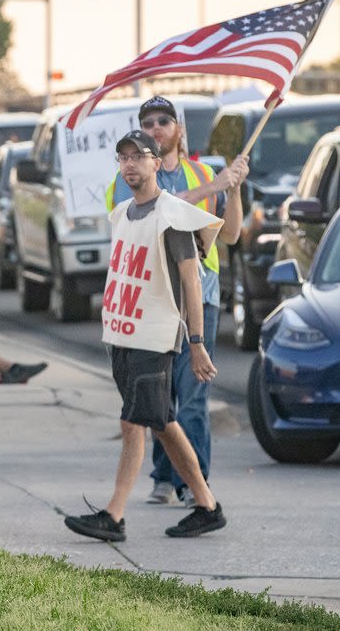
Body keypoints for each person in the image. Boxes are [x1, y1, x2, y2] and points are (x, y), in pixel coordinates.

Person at [64, 130, 227, 541]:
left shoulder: (171, 215)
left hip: (155, 337)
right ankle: (207, 505)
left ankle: (113, 516)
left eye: (139, 156)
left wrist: (196, 342)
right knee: (161, 422)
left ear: (157, 163)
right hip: (122, 335)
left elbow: (191, 281)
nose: (131, 164)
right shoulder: (121, 213)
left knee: (134, 421)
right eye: (124, 158)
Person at [107, 96, 248, 507]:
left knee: (191, 400)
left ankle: (195, 486)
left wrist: (232, 190)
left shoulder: (202, 171)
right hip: (152, 307)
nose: (156, 127)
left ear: (179, 129)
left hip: (198, 299)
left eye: (164, 120)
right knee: (156, 402)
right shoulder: (128, 176)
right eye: (147, 121)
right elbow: (157, 207)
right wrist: (214, 186)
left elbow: (231, 234)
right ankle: (165, 477)